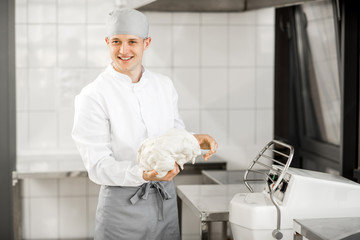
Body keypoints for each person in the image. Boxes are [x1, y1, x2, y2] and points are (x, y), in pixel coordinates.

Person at [72, 8, 218, 240]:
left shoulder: (164, 86)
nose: (124, 50)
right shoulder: (94, 95)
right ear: (107, 42)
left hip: (164, 204)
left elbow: (173, 136)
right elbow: (98, 165)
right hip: (121, 211)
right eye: (117, 42)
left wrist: (193, 140)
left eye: (132, 41)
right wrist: (143, 174)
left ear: (146, 43)